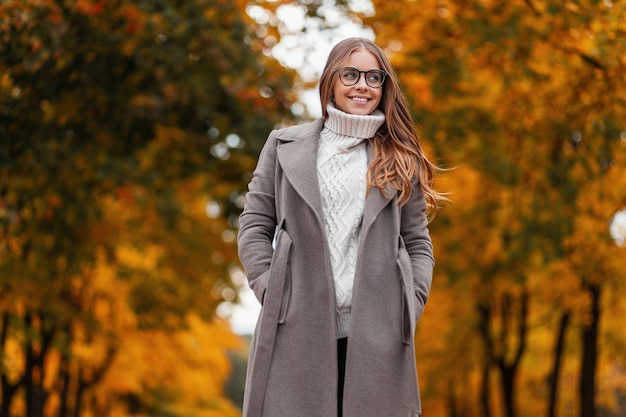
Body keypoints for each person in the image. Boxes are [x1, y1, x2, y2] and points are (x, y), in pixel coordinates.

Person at [237, 37, 445, 417]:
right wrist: (272, 288)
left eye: (373, 77)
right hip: (295, 323)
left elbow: (418, 242)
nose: (362, 85)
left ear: (384, 87)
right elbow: (254, 223)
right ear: (331, 81)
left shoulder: (400, 157)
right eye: (350, 74)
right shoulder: (283, 145)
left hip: (377, 329)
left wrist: (408, 304)